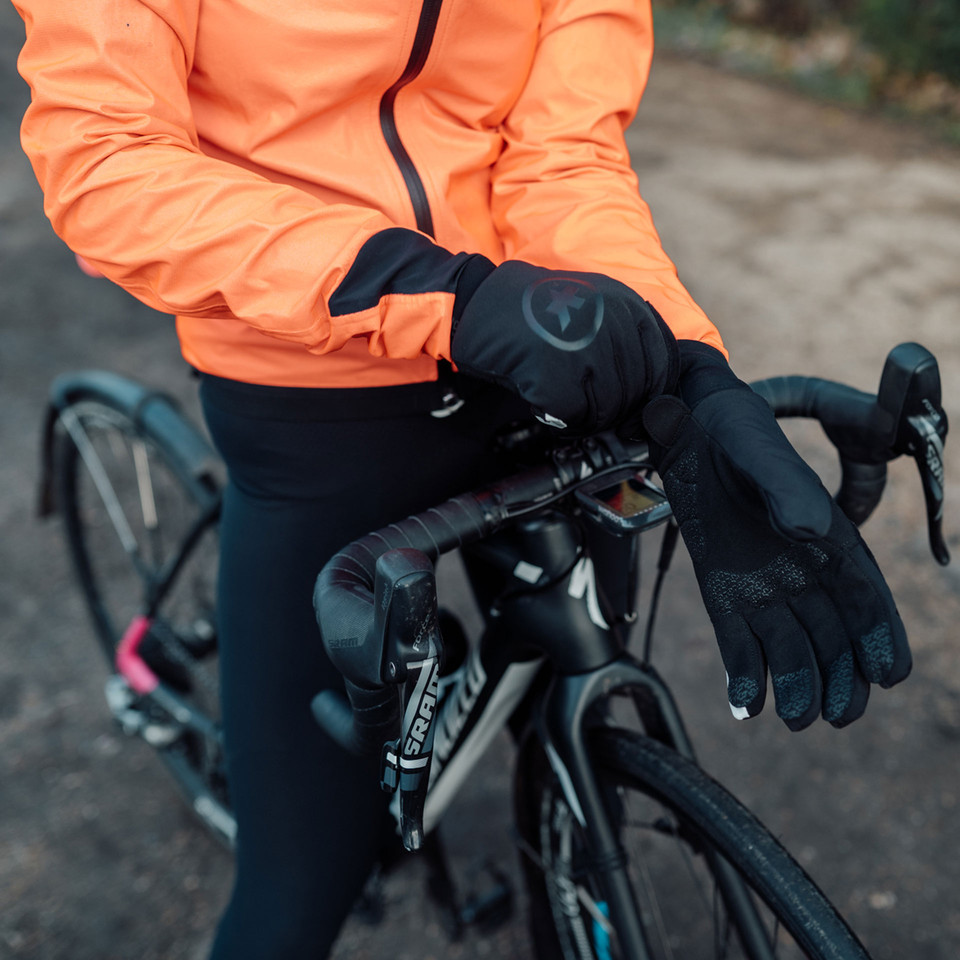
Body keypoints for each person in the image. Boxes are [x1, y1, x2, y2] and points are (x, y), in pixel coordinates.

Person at [13, 1, 910, 955]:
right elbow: (106, 163)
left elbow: (562, 155)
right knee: (296, 895)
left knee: (563, 677)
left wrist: (677, 365)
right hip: (311, 387)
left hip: (522, 355)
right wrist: (435, 290)